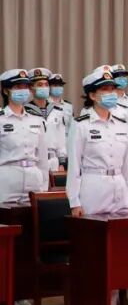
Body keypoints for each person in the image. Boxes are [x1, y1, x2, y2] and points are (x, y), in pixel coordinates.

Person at [66, 66, 128, 305]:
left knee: (115, 255)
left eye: (112, 89)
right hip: (93, 187)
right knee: (93, 254)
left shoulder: (122, 123)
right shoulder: (82, 125)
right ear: (92, 95)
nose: (111, 94)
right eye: (104, 90)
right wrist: (74, 201)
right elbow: (74, 166)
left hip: (118, 186)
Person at [0, 69, 49, 205]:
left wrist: (44, 186)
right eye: (17, 87)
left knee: (34, 216)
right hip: (7, 177)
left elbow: (42, 156)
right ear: (6, 91)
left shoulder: (36, 119)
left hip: (33, 177)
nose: (23, 90)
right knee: (7, 216)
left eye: (25, 87)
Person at [25, 68, 67, 173]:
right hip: (34, 161)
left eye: (46, 85)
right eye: (39, 85)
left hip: (53, 161)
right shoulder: (25, 111)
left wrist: (62, 162)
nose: (44, 87)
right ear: (31, 88)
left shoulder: (57, 111)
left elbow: (61, 140)